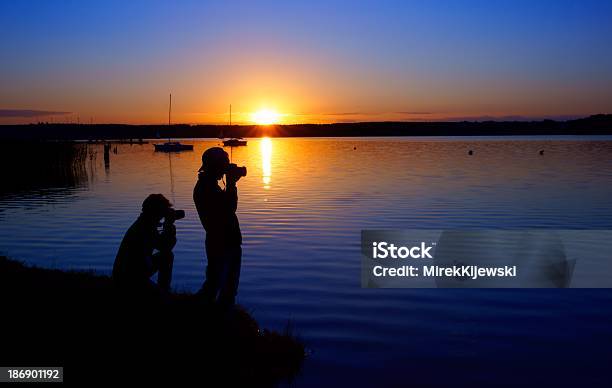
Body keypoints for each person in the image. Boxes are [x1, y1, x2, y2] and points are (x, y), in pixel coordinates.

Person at [193, 147, 243, 307]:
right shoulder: (206, 188)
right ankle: (207, 317)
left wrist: (230, 184)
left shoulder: (208, 186)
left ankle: (217, 318)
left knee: (221, 285)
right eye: (223, 165)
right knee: (218, 286)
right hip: (221, 242)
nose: (225, 168)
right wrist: (231, 184)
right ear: (215, 166)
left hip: (225, 241)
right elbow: (229, 208)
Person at [112, 194, 177, 297]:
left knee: (167, 256)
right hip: (129, 277)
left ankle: (162, 290)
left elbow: (163, 245)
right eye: (163, 211)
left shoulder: (144, 223)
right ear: (156, 210)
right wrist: (169, 225)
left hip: (132, 271)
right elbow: (165, 246)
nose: (163, 215)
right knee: (167, 256)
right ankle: (163, 291)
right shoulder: (145, 227)